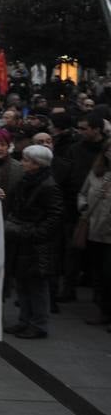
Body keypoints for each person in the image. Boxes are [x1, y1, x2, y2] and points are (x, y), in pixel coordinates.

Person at [4, 144, 62, 339]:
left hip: (36, 243)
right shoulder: (27, 180)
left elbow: (55, 216)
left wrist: (34, 233)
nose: (23, 163)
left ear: (37, 164)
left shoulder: (48, 185)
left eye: (27, 160)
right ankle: (24, 320)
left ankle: (38, 324)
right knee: (22, 282)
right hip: (23, 239)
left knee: (36, 286)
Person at [77, 138, 111, 328]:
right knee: (99, 273)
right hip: (95, 229)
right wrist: (84, 207)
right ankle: (103, 311)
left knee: (109, 274)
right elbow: (82, 193)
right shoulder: (96, 173)